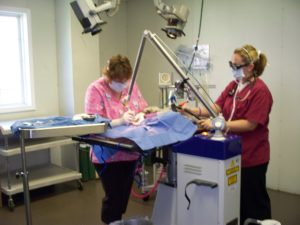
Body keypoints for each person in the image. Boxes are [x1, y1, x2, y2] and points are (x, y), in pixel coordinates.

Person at [182, 44, 273, 224]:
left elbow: (250, 124)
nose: (233, 70)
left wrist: (220, 124)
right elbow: (216, 107)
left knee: (253, 203)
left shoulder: (261, 91)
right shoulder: (234, 86)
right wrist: (193, 111)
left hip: (252, 156)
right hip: (233, 154)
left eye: (236, 66)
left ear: (250, 67)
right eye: (231, 65)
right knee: (236, 201)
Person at [85, 54, 148, 225]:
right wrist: (118, 121)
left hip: (130, 153)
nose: (122, 85)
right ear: (108, 76)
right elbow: (93, 124)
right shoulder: (96, 89)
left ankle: (116, 221)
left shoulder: (131, 85)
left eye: (124, 81)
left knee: (122, 199)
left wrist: (141, 114)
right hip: (107, 155)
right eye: (118, 81)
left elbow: (143, 106)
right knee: (113, 198)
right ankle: (111, 222)